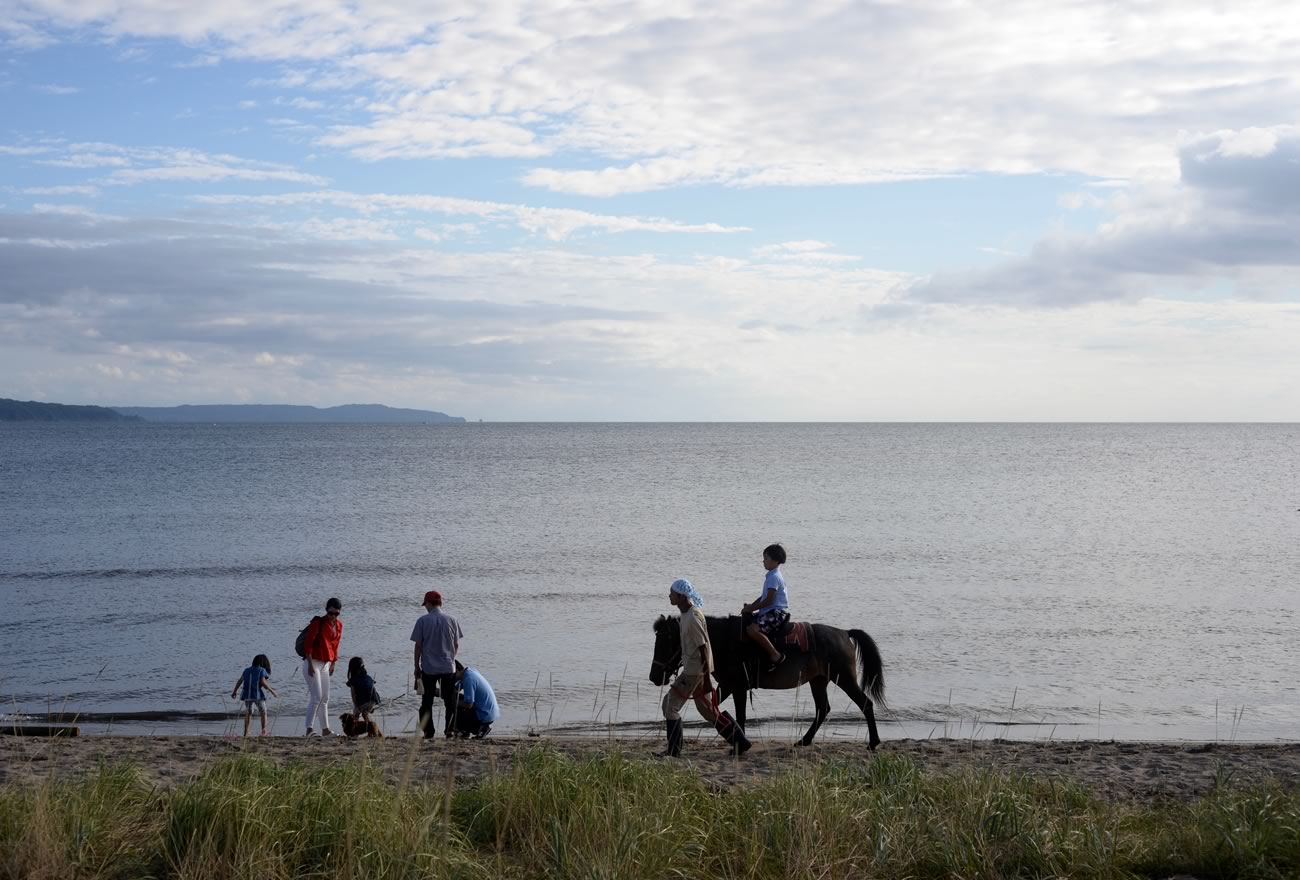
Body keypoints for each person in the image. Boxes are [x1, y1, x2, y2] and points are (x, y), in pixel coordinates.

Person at [660, 578, 751, 758]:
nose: (669, 596)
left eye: (672, 593)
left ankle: (674, 751)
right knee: (710, 712)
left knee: (670, 706)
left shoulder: (692, 617)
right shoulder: (688, 613)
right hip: (696, 671)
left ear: (681, 596)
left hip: (694, 673)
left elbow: (703, 647)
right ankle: (741, 741)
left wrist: (708, 678)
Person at [411, 589, 463, 739]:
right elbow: (456, 644)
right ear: (440, 603)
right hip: (448, 667)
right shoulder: (452, 620)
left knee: (426, 702)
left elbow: (418, 646)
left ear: (428, 603)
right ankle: (450, 729)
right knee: (450, 701)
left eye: (425, 604)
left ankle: (429, 731)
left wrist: (417, 667)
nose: (425, 607)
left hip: (429, 668)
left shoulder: (422, 621)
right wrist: (451, 658)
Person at [741, 543, 789, 671]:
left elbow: (769, 600)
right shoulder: (771, 576)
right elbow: (763, 597)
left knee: (752, 630)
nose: (763, 561)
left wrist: (752, 608)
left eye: (766, 558)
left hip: (776, 613)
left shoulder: (774, 577)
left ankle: (775, 655)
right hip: (769, 610)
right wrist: (751, 606)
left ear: (775, 560)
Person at [302, 597, 343, 736]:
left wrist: (333, 663)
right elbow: (308, 644)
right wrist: (309, 665)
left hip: (326, 664)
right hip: (312, 663)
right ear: (326, 610)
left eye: (336, 614)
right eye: (331, 613)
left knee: (325, 698)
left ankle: (325, 729)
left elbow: (335, 646)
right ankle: (309, 729)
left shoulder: (339, 625)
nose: (333, 616)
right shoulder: (317, 623)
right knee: (316, 697)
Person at [230, 654, 277, 737]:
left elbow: (240, 680)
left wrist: (234, 691)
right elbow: (263, 682)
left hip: (247, 695)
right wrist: (272, 691)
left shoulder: (246, 670)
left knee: (249, 712)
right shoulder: (262, 670)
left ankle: (246, 732)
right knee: (263, 712)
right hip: (257, 695)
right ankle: (264, 732)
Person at [451, 661, 499, 738]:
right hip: (490, 713)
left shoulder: (469, 679)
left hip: (485, 716)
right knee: (457, 698)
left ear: (456, 671)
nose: (450, 679)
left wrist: (453, 702)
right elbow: (455, 689)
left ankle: (469, 730)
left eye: (450, 676)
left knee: (455, 702)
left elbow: (469, 705)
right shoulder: (470, 671)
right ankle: (468, 729)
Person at [345, 656, 380, 727]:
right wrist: (371, 707)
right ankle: (372, 728)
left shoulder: (353, 680)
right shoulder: (368, 677)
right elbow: (371, 689)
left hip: (364, 701)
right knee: (365, 713)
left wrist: (356, 707)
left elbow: (353, 695)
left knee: (356, 713)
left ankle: (355, 729)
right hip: (374, 699)